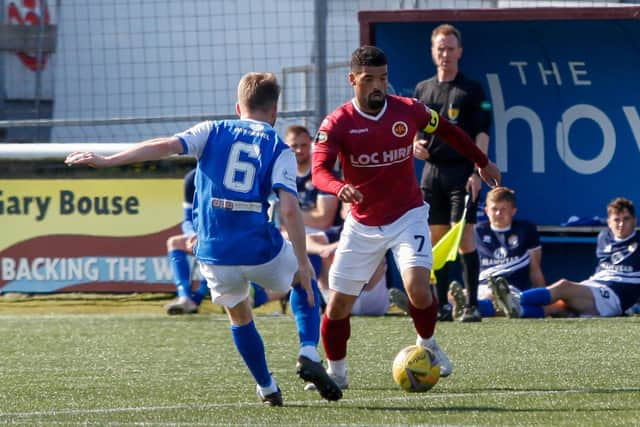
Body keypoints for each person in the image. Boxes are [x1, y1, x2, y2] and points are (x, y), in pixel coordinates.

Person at [64, 72, 342, 405]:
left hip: (213, 250)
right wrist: (302, 263)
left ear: (238, 106)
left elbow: (165, 146)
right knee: (303, 279)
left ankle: (267, 387)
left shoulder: (212, 130)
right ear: (275, 111)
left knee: (239, 317)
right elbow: (290, 210)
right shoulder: (278, 147)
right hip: (258, 247)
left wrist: (109, 160)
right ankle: (308, 352)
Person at [311, 45, 501, 389]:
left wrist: (481, 160)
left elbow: (448, 130)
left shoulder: (408, 110)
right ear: (353, 80)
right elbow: (319, 170)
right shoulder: (337, 123)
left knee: (416, 285)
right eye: (369, 80)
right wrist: (339, 188)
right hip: (362, 223)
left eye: (382, 78)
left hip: (408, 215)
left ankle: (427, 344)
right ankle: (336, 373)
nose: (377, 87)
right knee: (337, 306)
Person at [413, 23, 492, 322]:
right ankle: (442, 305)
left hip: (462, 172)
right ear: (433, 53)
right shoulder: (423, 89)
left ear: (459, 52)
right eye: (440, 48)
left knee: (464, 238)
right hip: (432, 173)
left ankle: (471, 305)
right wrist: (414, 145)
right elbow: (413, 130)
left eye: (449, 48)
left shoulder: (471, 90)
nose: (445, 54)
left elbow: (483, 132)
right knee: (437, 239)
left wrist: (478, 169)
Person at [165, 168, 288, 315]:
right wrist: (192, 234)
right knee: (174, 242)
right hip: (206, 237)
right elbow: (187, 219)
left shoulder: (235, 174)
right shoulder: (192, 178)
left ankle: (196, 300)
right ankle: (185, 297)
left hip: (236, 238)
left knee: (217, 248)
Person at [497, 197, 640, 318]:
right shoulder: (604, 237)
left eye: (626, 219)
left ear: (635, 221)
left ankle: (517, 299)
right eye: (616, 220)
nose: (621, 224)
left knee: (563, 286)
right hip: (596, 285)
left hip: (613, 296)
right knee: (557, 307)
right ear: (609, 222)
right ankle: (516, 311)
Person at [460, 186, 545, 318]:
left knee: (492, 296)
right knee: (452, 297)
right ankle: (470, 305)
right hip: (481, 287)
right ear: (487, 211)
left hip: (510, 288)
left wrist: (542, 299)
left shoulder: (526, 230)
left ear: (513, 211)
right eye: (494, 209)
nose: (498, 214)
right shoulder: (476, 231)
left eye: (503, 209)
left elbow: (535, 269)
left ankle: (472, 307)